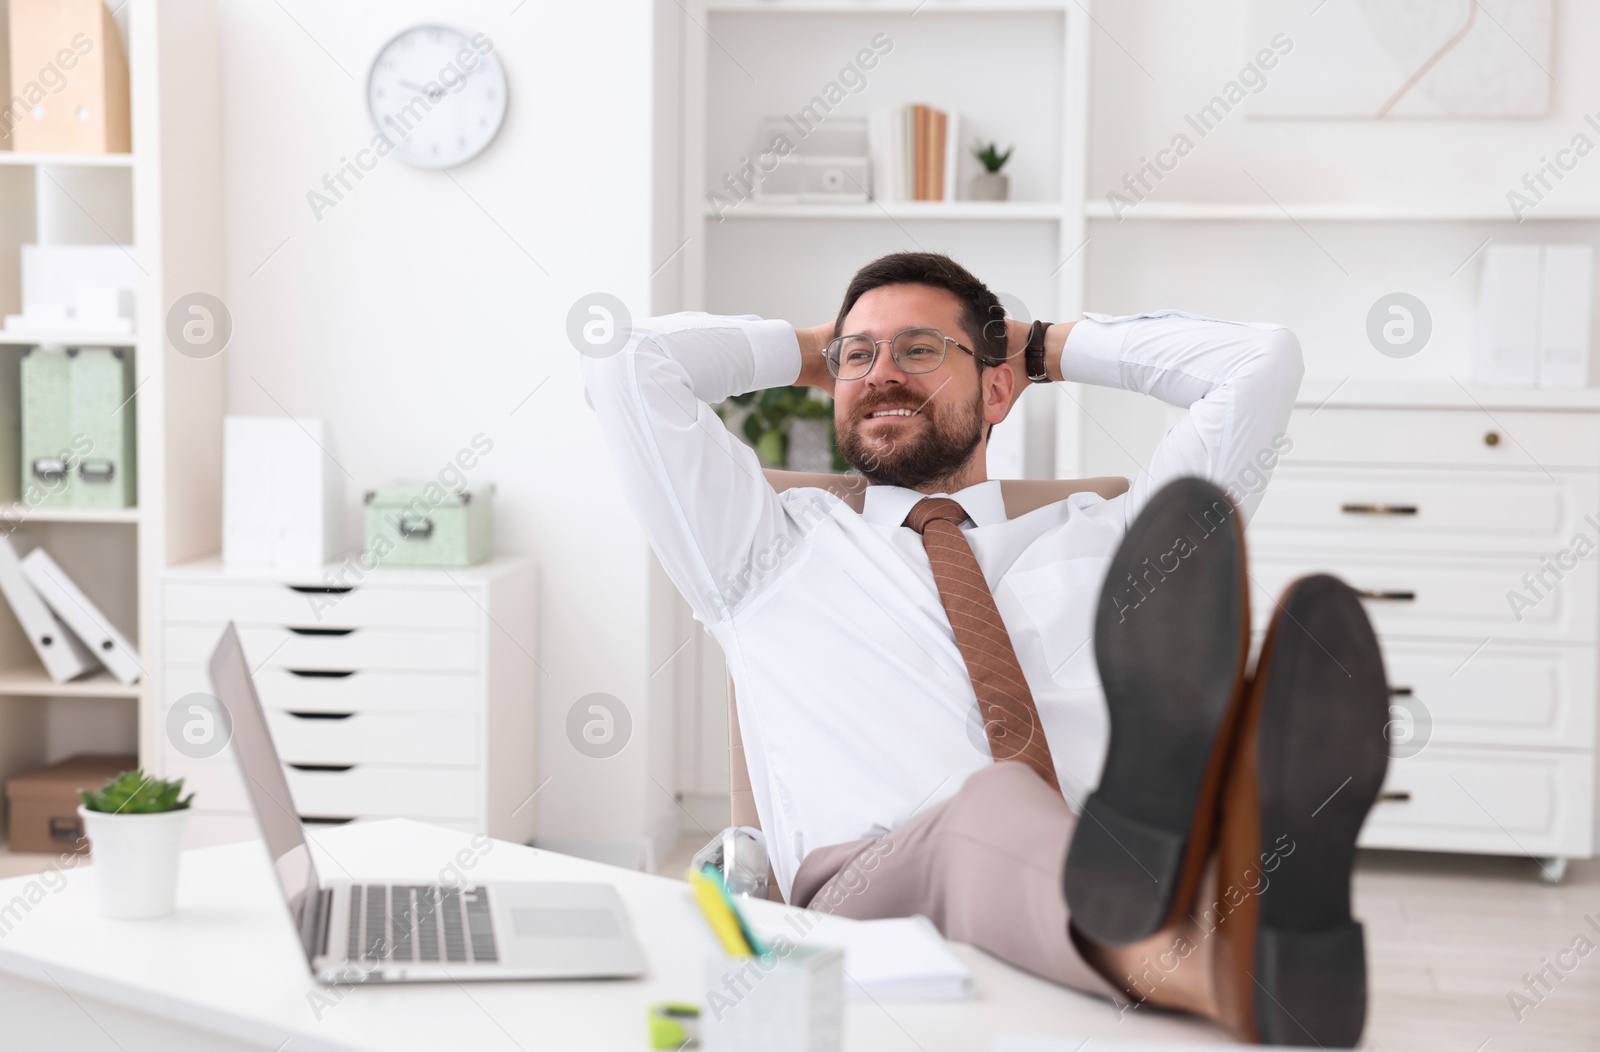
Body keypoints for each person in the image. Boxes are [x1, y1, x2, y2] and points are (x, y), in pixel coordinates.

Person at [582, 251, 1388, 1046]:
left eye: (920, 349)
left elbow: (1261, 362)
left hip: (1105, 859)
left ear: (997, 384)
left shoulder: (1114, 541)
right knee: (992, 805)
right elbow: (624, 362)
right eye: (857, 356)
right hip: (864, 900)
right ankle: (1231, 976)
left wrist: (1040, 345)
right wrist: (809, 349)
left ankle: (1180, 858)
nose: (882, 372)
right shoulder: (760, 549)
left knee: (1046, 809)